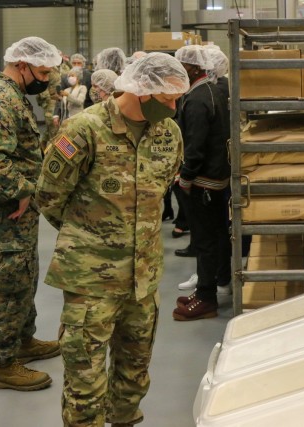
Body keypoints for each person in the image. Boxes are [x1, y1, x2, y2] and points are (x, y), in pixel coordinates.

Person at [34, 53, 189, 427]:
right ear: (141, 91)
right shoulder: (83, 129)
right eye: (167, 99)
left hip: (143, 278)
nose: (174, 106)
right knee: (85, 382)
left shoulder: (168, 133)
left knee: (133, 379)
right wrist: (91, 238)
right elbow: (50, 197)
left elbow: (161, 189)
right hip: (91, 282)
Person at [0, 36, 62, 391]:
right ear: (22, 65)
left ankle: (23, 340)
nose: (45, 78)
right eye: (41, 71)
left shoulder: (10, 94)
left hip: (15, 207)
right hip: (8, 208)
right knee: (10, 283)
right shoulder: (2, 99)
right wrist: (20, 191)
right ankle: (3, 363)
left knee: (24, 275)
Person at [173, 45, 232, 321]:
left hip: (204, 182)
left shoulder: (197, 98)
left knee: (205, 239)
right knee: (216, 235)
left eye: (181, 65)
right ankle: (210, 285)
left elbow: (194, 146)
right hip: (216, 177)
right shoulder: (210, 90)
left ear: (194, 68)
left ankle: (207, 297)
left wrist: (185, 176)